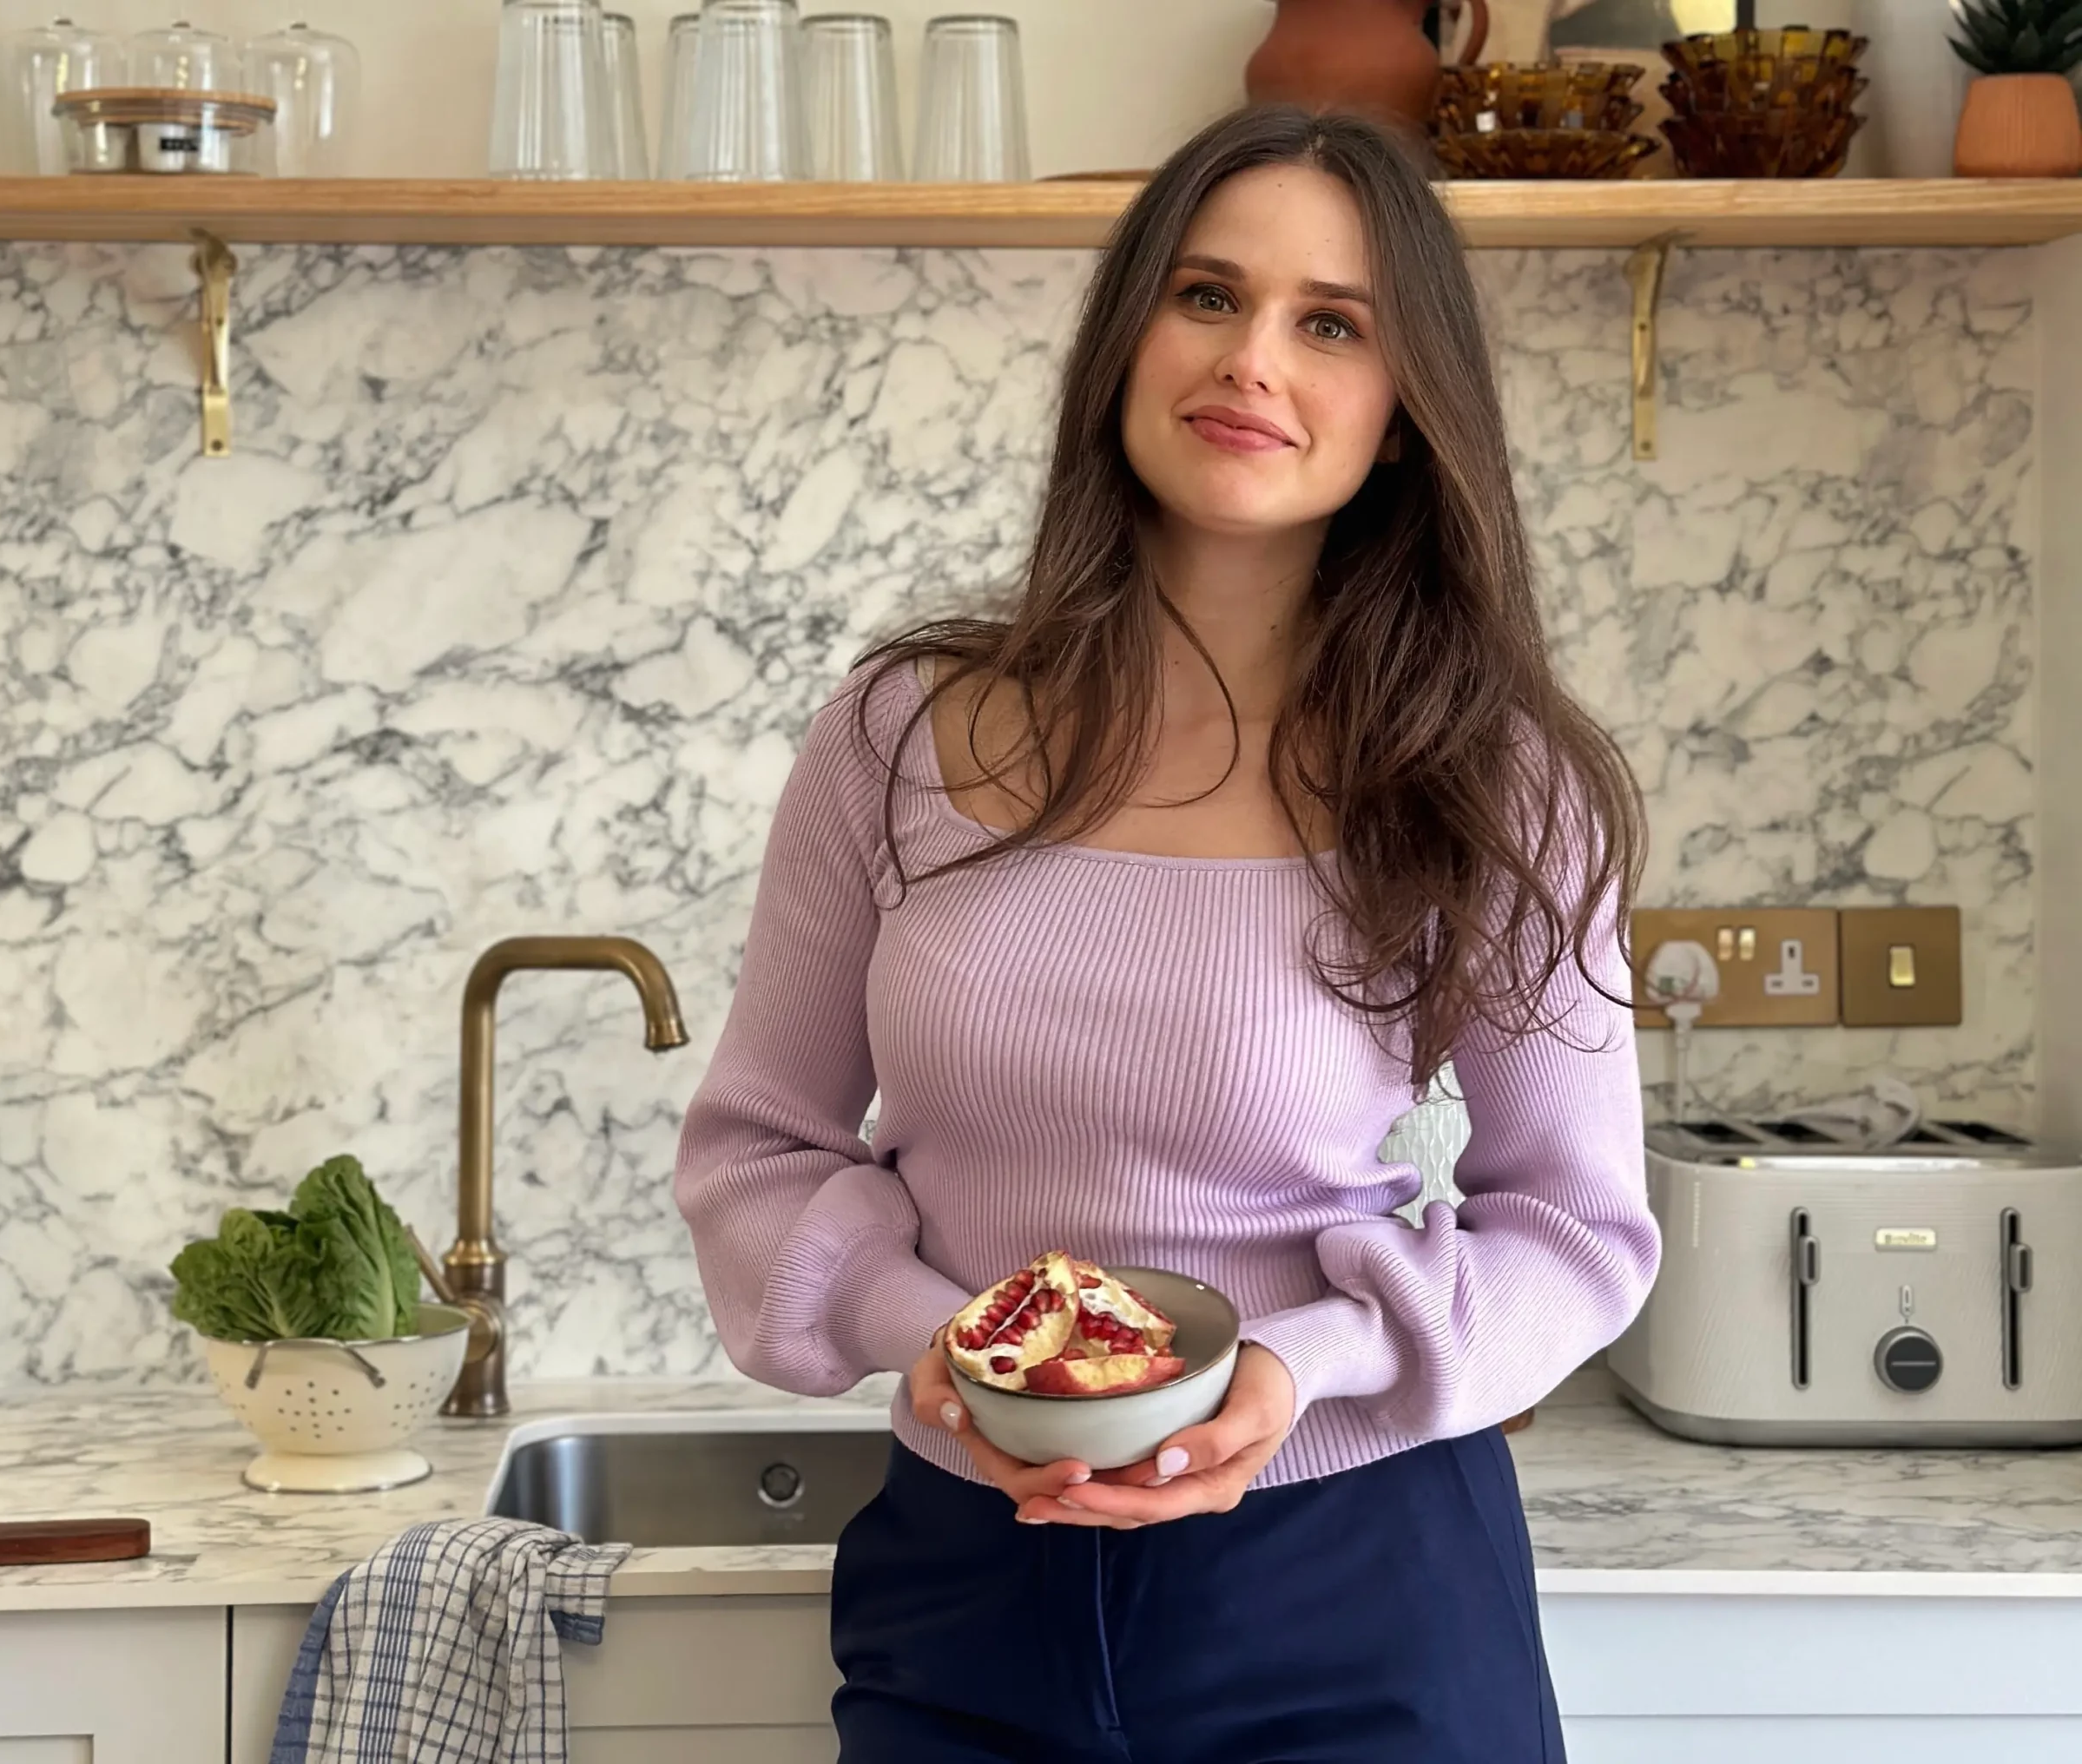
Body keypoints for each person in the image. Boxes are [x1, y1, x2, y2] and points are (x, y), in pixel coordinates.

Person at [674, 104, 1659, 1763]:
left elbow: (1576, 1225)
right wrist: (944, 1354)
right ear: (1127, 335)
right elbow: (756, 1152)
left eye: (1330, 322)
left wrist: (1291, 1367)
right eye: (1206, 295)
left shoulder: (1492, 775)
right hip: (968, 1580)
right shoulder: (901, 732)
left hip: (1355, 1577)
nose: (1252, 360)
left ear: (1405, 413)